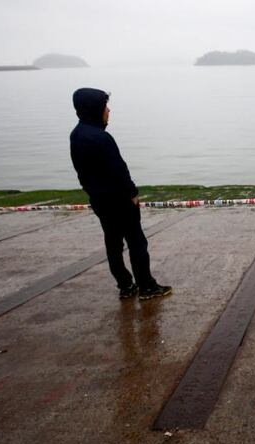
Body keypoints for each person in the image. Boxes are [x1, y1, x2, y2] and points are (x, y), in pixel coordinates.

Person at [70, 88, 171, 301]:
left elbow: (81, 172)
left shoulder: (77, 135)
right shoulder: (101, 138)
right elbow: (119, 170)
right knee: (136, 242)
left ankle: (125, 285)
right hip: (120, 200)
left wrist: (92, 192)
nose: (108, 110)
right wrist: (132, 193)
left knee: (113, 243)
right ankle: (147, 286)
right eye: (105, 106)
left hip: (99, 200)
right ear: (95, 109)